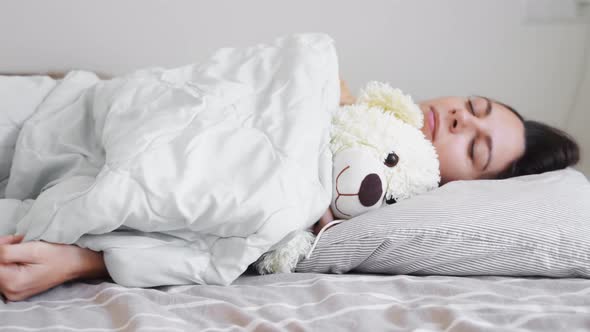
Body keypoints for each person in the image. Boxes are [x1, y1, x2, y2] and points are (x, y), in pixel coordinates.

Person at [0, 80, 580, 301]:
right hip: (84, 109)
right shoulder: (346, 93)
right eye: (471, 106)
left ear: (464, 187)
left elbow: (247, 235)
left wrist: (83, 261)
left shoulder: (362, 194)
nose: (457, 119)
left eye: (475, 145)